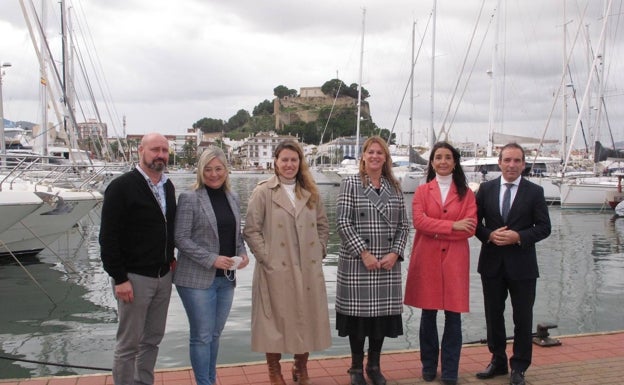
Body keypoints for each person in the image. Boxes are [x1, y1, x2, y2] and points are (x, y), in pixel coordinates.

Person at [243, 139, 331, 385]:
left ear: (300, 162)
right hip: (276, 269)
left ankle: (301, 367)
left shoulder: (310, 192)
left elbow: (323, 226)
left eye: (294, 159)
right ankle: (274, 371)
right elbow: (251, 230)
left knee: (306, 318)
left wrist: (320, 250)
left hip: (308, 268)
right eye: (285, 160)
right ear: (276, 162)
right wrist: (267, 258)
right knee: (274, 321)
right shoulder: (263, 192)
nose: (289, 164)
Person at [99, 132, 176, 385]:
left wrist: (170, 257)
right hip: (133, 278)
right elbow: (108, 238)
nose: (160, 155)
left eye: (164, 151)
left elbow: (168, 227)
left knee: (152, 340)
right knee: (128, 345)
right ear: (140, 150)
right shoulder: (121, 187)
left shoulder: (168, 186)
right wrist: (120, 278)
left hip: (163, 277)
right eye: (155, 150)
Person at [335, 136, 410, 385]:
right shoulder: (351, 184)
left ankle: (374, 366)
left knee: (380, 319)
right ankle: (356, 368)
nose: (375, 156)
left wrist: (395, 253)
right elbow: (343, 222)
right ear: (363, 156)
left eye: (380, 152)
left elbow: (403, 225)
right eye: (371, 152)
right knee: (358, 319)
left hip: (387, 265)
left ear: (385, 158)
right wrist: (364, 253)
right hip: (359, 263)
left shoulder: (395, 186)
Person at [474, 143, 551, 385]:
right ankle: (497, 360)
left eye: (517, 161)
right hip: (492, 264)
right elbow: (474, 223)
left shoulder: (534, 192)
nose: (512, 165)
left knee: (523, 318)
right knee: (493, 316)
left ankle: (519, 366)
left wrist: (519, 237)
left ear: (524, 164)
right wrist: (488, 235)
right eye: (507, 160)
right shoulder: (485, 189)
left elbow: (544, 227)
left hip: (523, 266)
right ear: (499, 162)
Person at [174, 147, 250, 385]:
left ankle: (209, 379)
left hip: (225, 279)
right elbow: (180, 238)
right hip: (196, 280)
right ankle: (204, 382)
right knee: (202, 336)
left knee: (214, 335)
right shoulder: (189, 198)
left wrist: (242, 253)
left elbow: (236, 236)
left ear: (226, 170)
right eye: (208, 169)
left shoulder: (233, 198)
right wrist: (212, 259)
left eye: (218, 169)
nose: (214, 174)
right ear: (200, 171)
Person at [404, 142, 477, 385]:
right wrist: (452, 226)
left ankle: (450, 370)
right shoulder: (423, 191)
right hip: (427, 260)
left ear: (455, 162)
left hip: (455, 261)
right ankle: (428, 365)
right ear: (432, 162)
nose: (443, 161)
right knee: (428, 314)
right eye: (438, 157)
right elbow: (419, 222)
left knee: (453, 318)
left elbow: (470, 228)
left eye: (447, 157)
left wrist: (439, 229)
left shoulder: (467, 194)